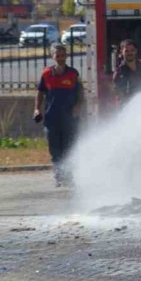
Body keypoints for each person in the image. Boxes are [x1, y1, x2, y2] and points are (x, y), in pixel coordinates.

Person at [34, 44, 84, 186]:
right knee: (55, 150)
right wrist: (37, 109)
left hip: (70, 119)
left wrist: (77, 107)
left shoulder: (73, 74)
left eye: (63, 55)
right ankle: (59, 176)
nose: (61, 58)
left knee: (69, 148)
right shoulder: (46, 74)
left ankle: (69, 176)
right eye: (58, 55)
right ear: (53, 57)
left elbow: (81, 94)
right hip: (52, 119)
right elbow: (40, 93)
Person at [112, 39, 141, 104]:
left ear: (136, 51)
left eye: (132, 50)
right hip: (127, 106)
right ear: (121, 52)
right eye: (126, 51)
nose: (130, 53)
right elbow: (118, 92)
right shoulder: (119, 72)